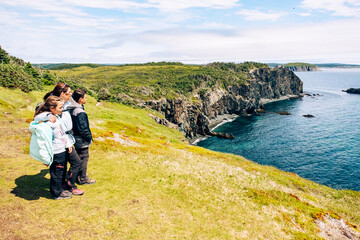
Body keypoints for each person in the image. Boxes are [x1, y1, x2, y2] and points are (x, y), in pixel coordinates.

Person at [38, 83, 84, 195]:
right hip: (58, 141)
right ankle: (67, 186)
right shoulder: (53, 105)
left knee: (65, 165)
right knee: (68, 164)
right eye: (69, 92)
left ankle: (65, 185)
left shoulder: (66, 104)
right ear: (62, 94)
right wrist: (48, 116)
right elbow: (39, 114)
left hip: (66, 139)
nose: (71, 94)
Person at [33, 96, 73, 200]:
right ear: (52, 108)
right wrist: (47, 116)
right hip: (56, 152)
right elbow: (43, 142)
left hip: (61, 150)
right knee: (57, 173)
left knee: (59, 172)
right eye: (60, 107)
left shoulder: (56, 118)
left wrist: (67, 144)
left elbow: (62, 133)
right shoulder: (47, 121)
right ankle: (56, 194)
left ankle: (58, 190)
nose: (62, 109)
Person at [68, 89, 96, 185]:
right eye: (85, 97)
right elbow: (83, 129)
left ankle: (78, 177)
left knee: (80, 157)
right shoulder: (79, 111)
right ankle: (83, 178)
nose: (86, 99)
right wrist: (89, 138)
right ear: (80, 99)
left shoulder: (72, 109)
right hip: (81, 139)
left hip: (75, 138)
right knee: (84, 157)